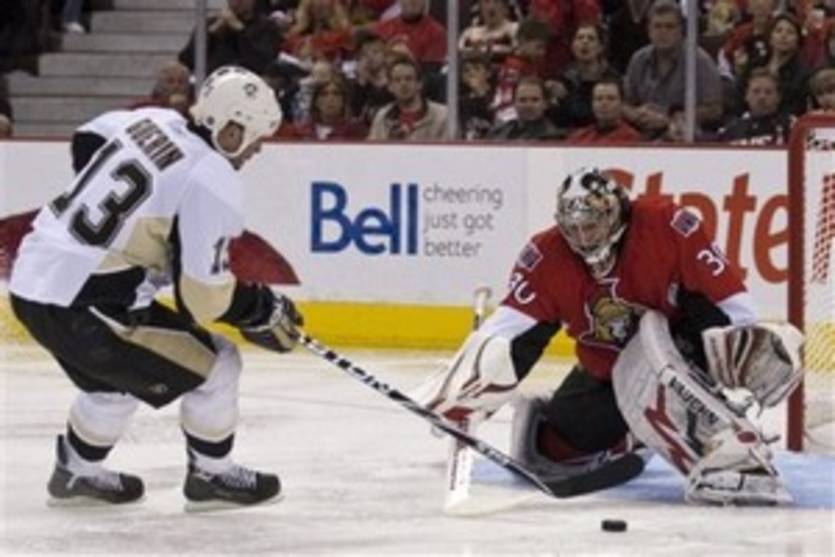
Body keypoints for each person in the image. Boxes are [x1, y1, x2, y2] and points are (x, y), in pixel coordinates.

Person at [413, 167, 803, 506]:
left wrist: (736, 358)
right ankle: (631, 437)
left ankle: (727, 449)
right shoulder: (546, 257)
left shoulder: (667, 226)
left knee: (652, 358)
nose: (584, 237)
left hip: (678, 352)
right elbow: (510, 334)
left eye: (592, 225)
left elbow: (730, 304)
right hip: (604, 370)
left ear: (617, 212)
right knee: (552, 447)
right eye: (574, 228)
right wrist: (464, 391)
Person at [8, 66, 302, 510]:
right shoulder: (212, 177)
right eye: (255, 138)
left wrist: (125, 224)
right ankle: (212, 475)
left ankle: (78, 473)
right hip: (85, 302)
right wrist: (257, 307)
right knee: (219, 365)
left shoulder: (153, 120)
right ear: (231, 130)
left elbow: (87, 138)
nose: (257, 148)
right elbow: (201, 299)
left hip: (32, 280)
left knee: (113, 384)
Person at [622, 0, 723, 138]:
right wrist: (636, 114)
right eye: (657, 26)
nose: (663, 32)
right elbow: (625, 103)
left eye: (669, 27)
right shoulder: (638, 60)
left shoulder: (699, 62)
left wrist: (671, 119)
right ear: (649, 30)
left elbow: (715, 108)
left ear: (681, 30)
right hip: (642, 134)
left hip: (685, 136)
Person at [178, 0, 283, 75]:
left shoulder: (267, 27)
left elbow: (264, 63)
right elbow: (187, 61)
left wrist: (240, 31)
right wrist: (211, 34)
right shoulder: (210, 25)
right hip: (213, 85)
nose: (237, 1)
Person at [367, 54, 447, 140]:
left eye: (408, 79)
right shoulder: (382, 117)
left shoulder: (442, 116)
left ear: (419, 84)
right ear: (390, 87)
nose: (403, 84)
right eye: (397, 80)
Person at [718, 68, 794, 145]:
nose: (762, 97)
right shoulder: (731, 129)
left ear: (778, 97)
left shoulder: (792, 125)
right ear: (746, 96)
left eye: (768, 92)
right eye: (756, 91)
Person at [486, 76, 565, 140]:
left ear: (545, 104)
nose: (528, 105)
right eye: (522, 100)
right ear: (514, 103)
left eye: (535, 100)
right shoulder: (498, 133)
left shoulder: (554, 138)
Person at [567, 77, 642, 143]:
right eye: (599, 99)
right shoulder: (578, 138)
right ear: (592, 104)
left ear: (621, 104)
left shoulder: (634, 141)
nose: (604, 103)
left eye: (611, 98)